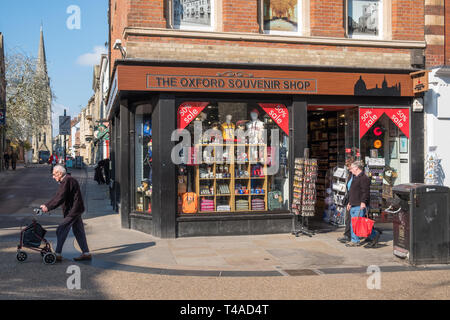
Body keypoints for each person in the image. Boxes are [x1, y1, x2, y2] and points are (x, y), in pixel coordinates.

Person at [40, 165, 92, 262]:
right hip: (75, 209)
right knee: (78, 231)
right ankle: (86, 253)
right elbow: (58, 196)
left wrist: (48, 207)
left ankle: (58, 254)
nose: (53, 177)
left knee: (61, 229)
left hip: (73, 211)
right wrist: (47, 205)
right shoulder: (67, 180)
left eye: (54, 174)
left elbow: (60, 197)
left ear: (60, 173)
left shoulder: (67, 180)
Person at [345, 161, 381, 248]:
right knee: (355, 223)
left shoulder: (364, 178)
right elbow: (352, 192)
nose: (350, 170)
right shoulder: (355, 177)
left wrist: (363, 202)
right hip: (354, 203)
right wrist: (349, 202)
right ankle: (373, 235)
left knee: (358, 223)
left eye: (352, 168)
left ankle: (356, 240)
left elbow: (365, 192)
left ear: (357, 168)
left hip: (359, 204)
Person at [337, 158, 355, 244]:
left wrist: (351, 202)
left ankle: (348, 236)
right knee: (349, 218)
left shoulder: (356, 175)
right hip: (350, 198)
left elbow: (354, 189)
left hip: (354, 200)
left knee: (351, 218)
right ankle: (348, 235)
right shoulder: (351, 174)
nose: (347, 168)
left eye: (348, 166)